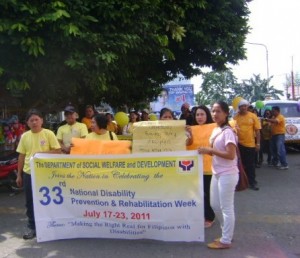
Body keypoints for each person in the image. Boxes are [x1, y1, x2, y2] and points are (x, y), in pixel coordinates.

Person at [198, 101, 239, 249]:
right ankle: (225, 233)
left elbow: (230, 154)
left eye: (218, 111)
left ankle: (226, 240)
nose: (215, 114)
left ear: (226, 113)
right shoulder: (216, 130)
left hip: (228, 174)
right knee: (214, 205)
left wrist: (210, 151)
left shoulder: (228, 131)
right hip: (217, 172)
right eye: (213, 111)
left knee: (226, 207)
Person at [16, 109, 61, 240]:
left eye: (37, 119)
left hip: (46, 174)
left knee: (48, 200)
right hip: (29, 174)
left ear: (42, 120)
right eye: (31, 120)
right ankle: (32, 227)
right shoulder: (25, 136)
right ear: (27, 123)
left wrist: (40, 155)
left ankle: (51, 226)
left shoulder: (49, 134)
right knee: (30, 202)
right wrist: (19, 175)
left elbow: (58, 151)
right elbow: (21, 156)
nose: (34, 122)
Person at [190, 105, 215, 228]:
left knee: (208, 194)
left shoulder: (215, 128)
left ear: (207, 115)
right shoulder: (191, 129)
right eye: (197, 115)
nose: (199, 117)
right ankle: (203, 215)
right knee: (198, 194)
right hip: (194, 167)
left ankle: (210, 217)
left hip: (209, 167)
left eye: (202, 114)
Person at [233, 99, 261, 191]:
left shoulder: (253, 116)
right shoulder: (235, 117)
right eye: (242, 106)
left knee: (250, 165)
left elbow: (257, 131)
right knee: (240, 164)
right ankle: (242, 182)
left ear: (247, 107)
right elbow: (232, 130)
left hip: (250, 145)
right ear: (239, 108)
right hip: (239, 144)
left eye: (245, 106)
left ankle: (252, 182)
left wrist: (258, 143)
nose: (244, 108)